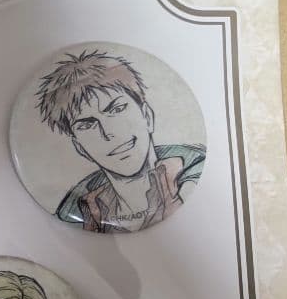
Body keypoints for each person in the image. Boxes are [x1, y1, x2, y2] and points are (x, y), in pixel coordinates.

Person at [36, 49, 205, 233]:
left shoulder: (194, 178)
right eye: (87, 125)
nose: (109, 133)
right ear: (80, 148)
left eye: (117, 109)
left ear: (147, 116)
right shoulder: (75, 212)